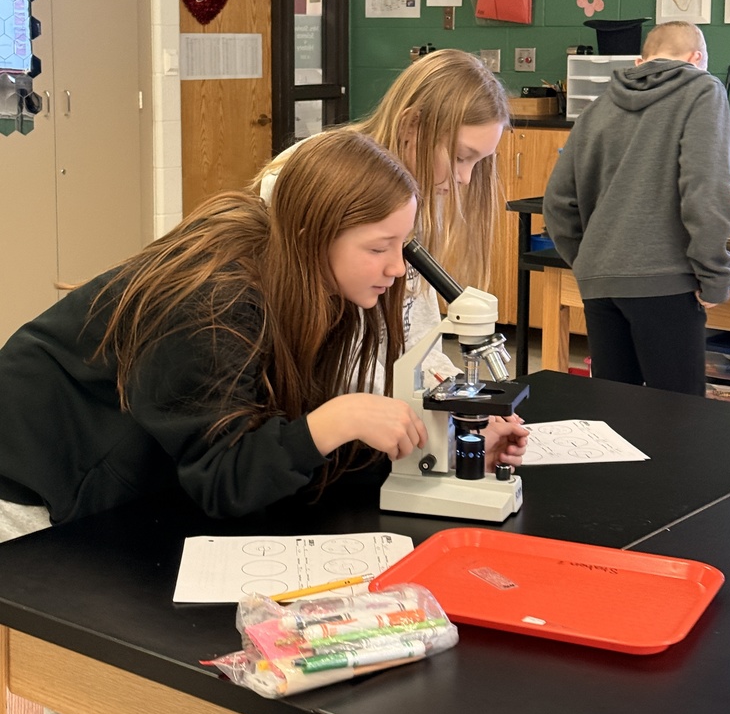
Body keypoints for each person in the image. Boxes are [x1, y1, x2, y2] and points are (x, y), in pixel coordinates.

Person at [0, 131, 528, 538]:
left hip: (123, 470)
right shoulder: (214, 300)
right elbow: (222, 474)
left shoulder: (311, 280)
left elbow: (284, 446)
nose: (396, 268)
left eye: (403, 245)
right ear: (312, 234)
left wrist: (446, 450)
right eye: (378, 247)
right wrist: (339, 417)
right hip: (32, 472)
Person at [258, 48, 511, 384]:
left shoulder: (419, 186)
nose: (465, 178)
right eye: (461, 157)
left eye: (478, 162)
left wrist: (449, 393)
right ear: (412, 126)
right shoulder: (310, 179)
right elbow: (331, 352)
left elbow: (416, 333)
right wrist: (410, 412)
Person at [543, 21, 730, 396]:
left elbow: (558, 200)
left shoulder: (599, 105)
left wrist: (588, 262)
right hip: (666, 280)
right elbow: (705, 190)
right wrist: (714, 276)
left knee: (615, 415)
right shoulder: (703, 89)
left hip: (601, 282)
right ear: (697, 58)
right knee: (680, 416)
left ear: (640, 60)